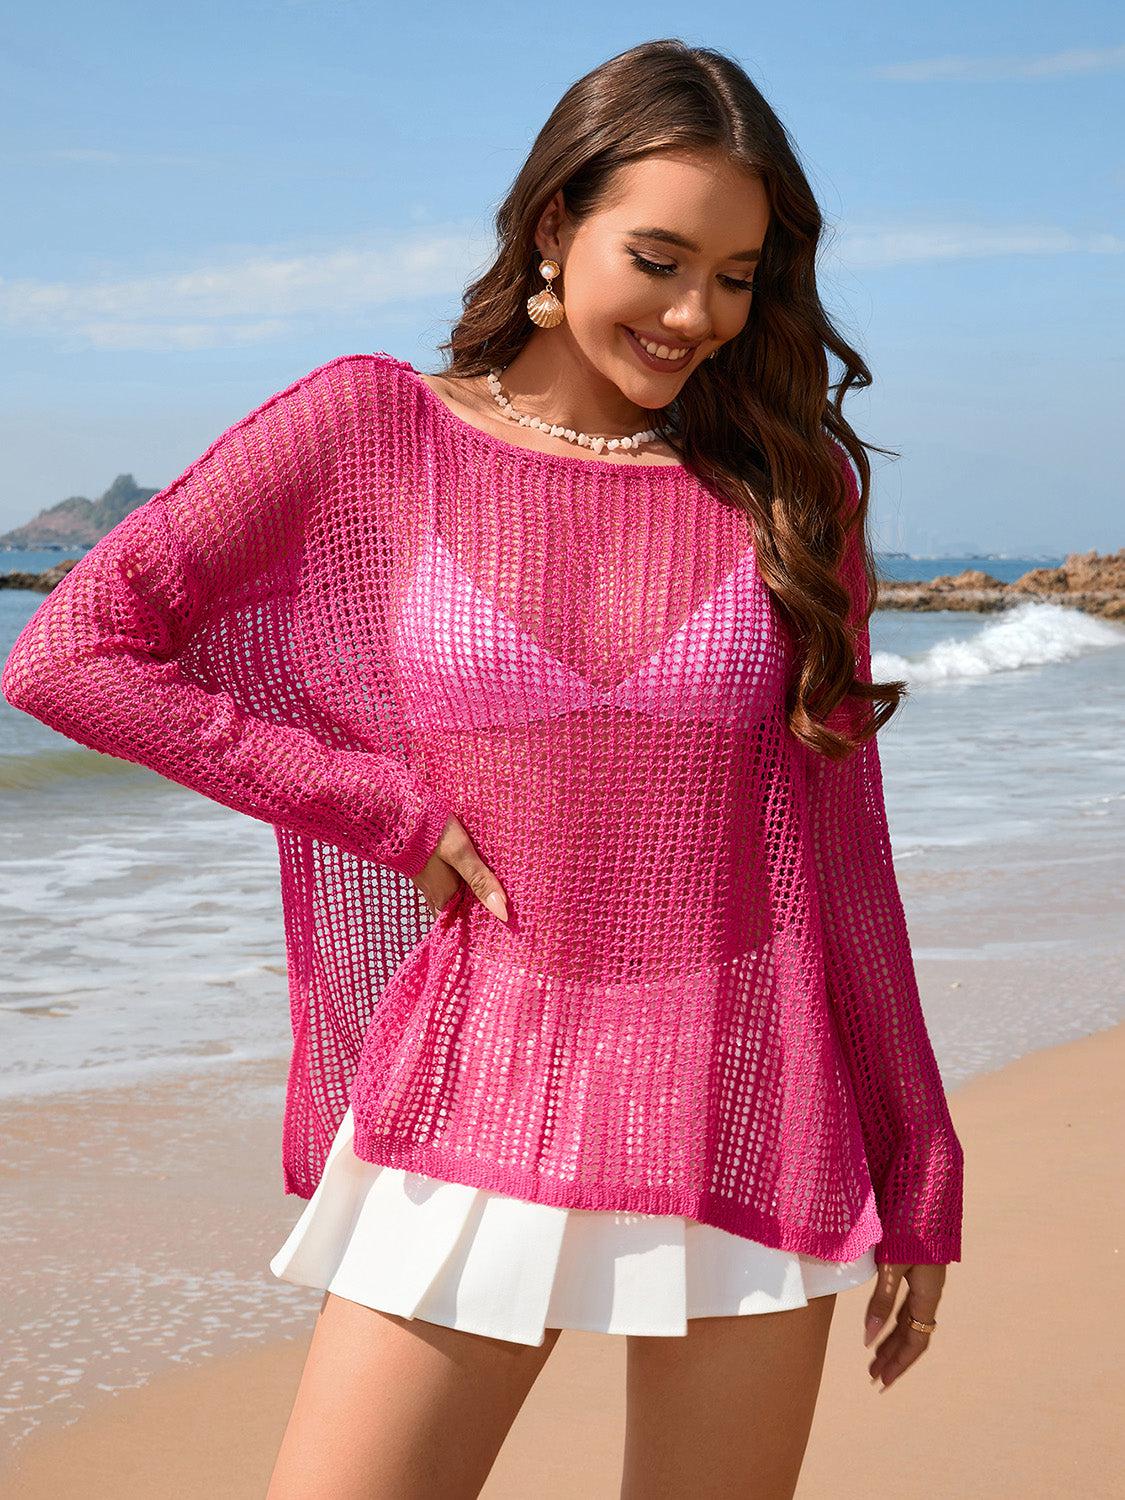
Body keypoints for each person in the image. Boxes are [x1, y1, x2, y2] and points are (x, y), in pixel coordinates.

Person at [1, 38, 963, 1500]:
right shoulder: (370, 431)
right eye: (657, 256)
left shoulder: (784, 491)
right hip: (479, 1072)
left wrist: (920, 1167)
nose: (697, 312)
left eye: (739, 275)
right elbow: (70, 654)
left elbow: (841, 853)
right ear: (551, 223)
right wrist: (380, 810)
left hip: (748, 1083)